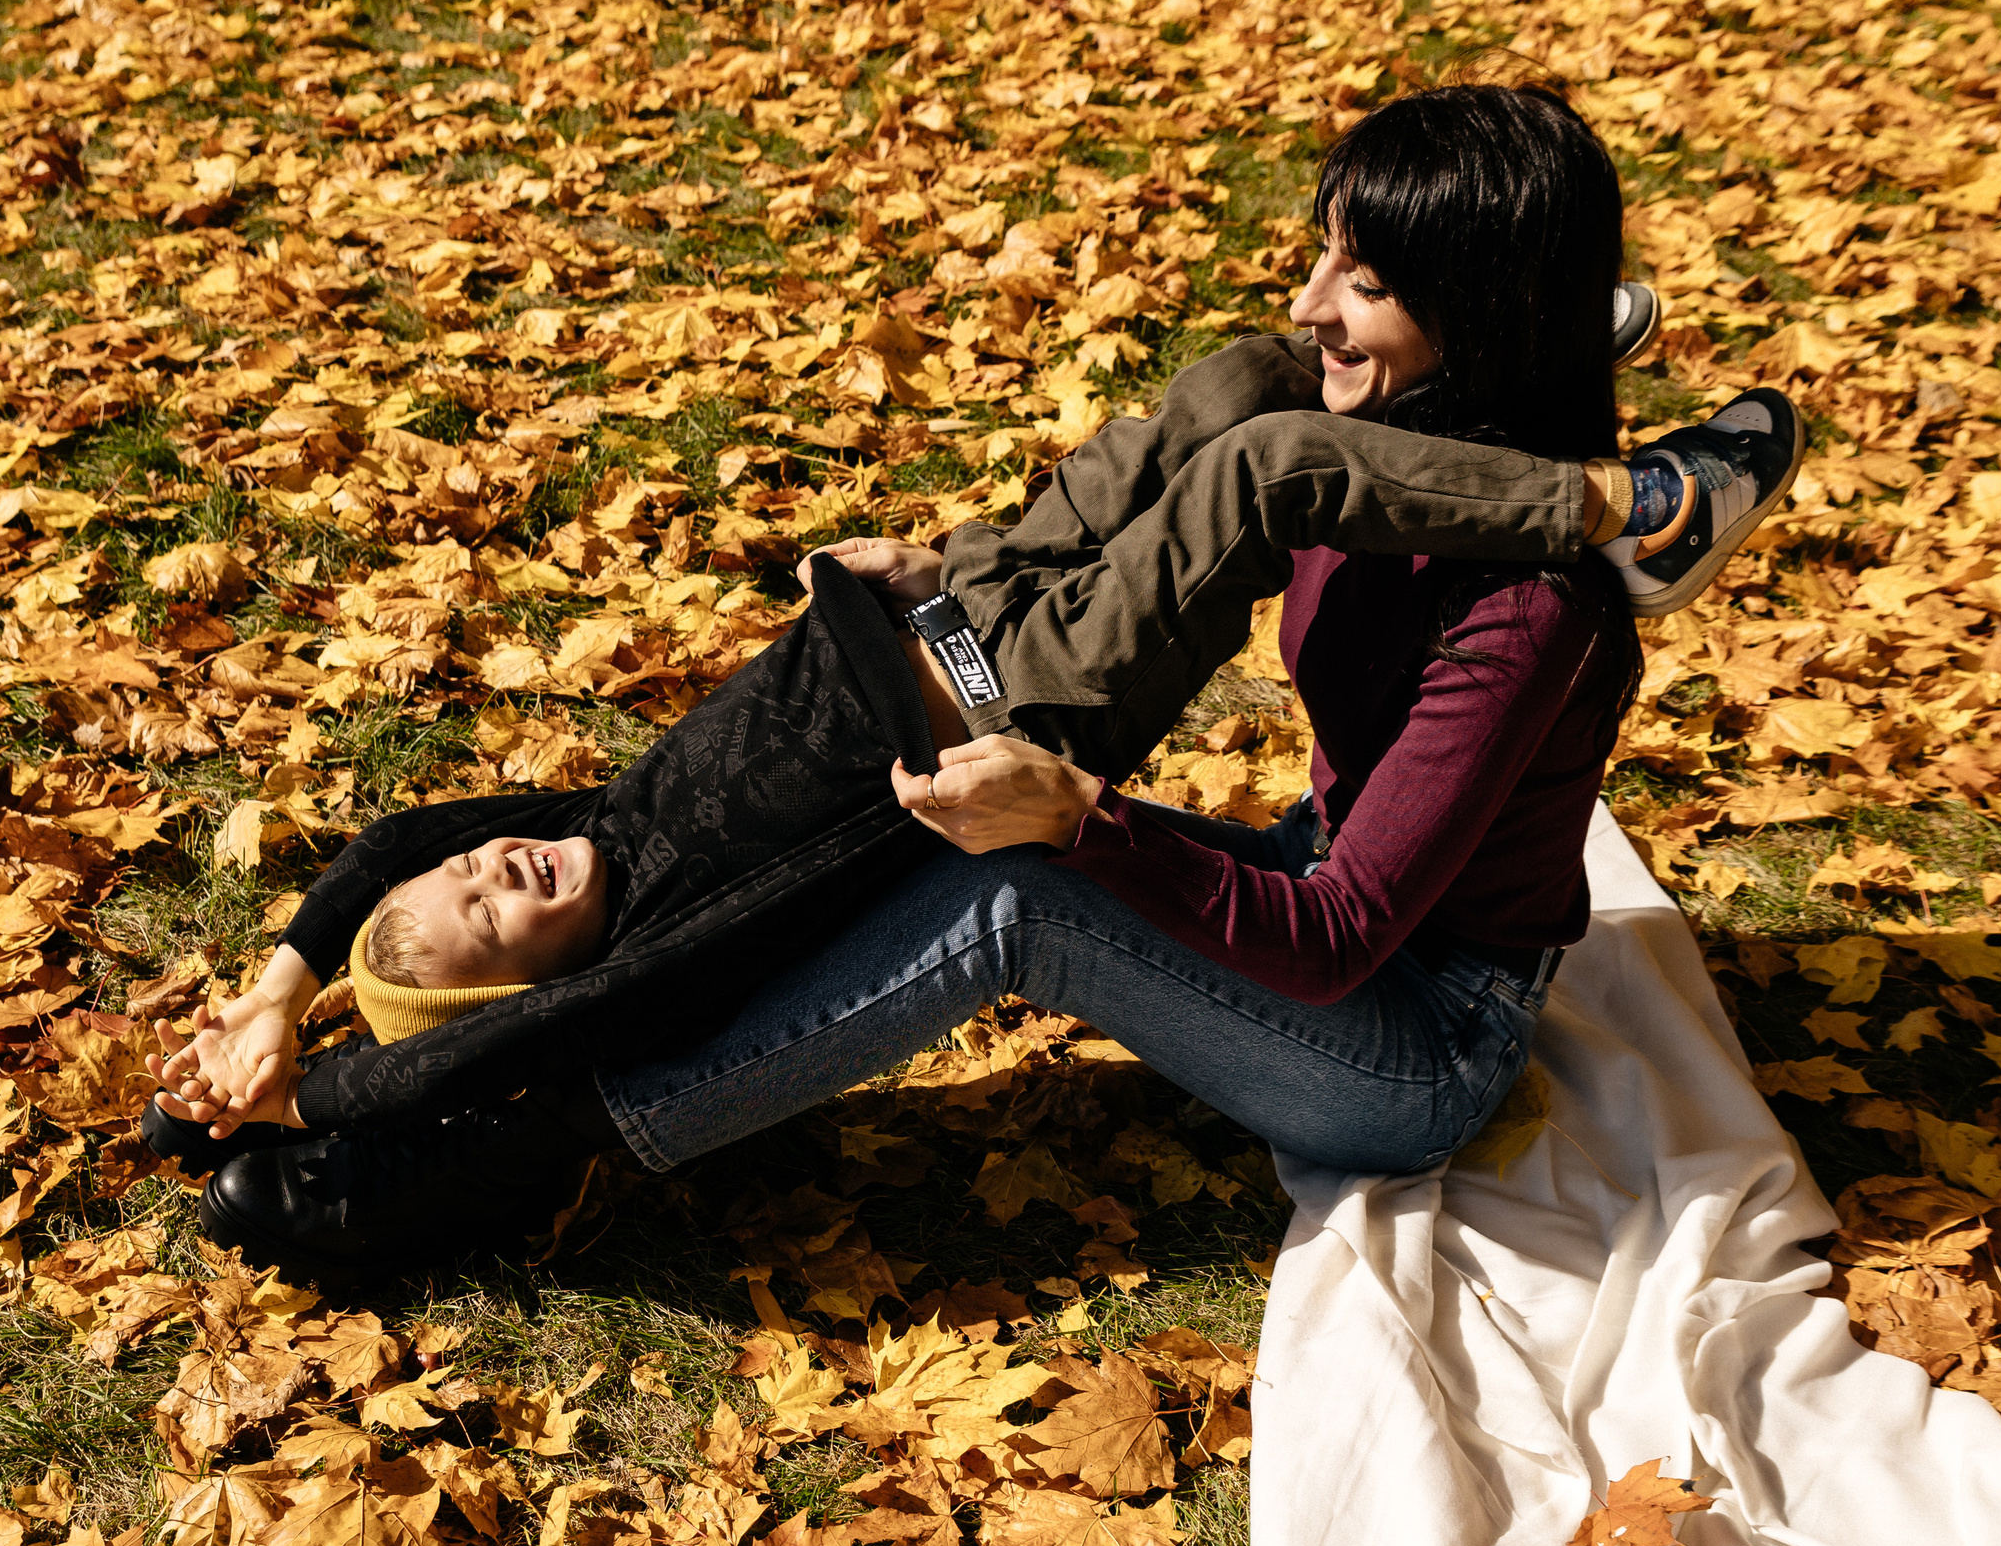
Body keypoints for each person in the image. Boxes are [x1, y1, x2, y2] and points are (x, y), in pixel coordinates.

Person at [150, 78, 1807, 1283]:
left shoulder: (1527, 619)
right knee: (1246, 394)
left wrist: (1079, 821)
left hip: (1411, 1036)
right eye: (1330, 263)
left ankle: (504, 1170)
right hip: (1316, 859)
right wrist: (286, 1000)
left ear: (1482, 326)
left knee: (1018, 899)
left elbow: (1334, 942)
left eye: (1364, 288)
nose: (1311, 309)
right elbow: (433, 842)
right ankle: (1576, 346)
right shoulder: (1359, 423)